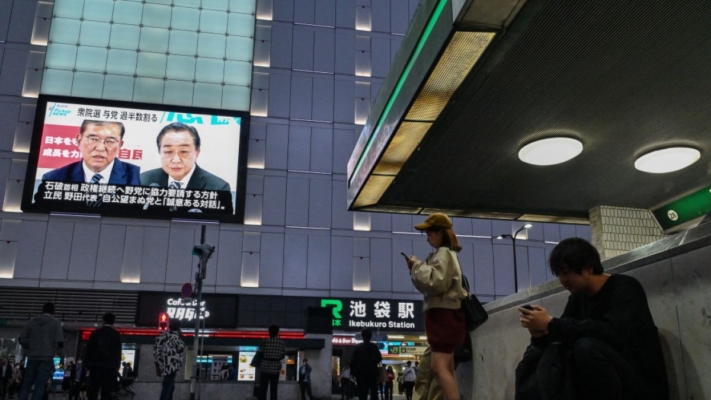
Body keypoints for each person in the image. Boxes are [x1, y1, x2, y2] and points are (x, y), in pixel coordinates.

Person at [518, 237, 669, 400]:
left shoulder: (625, 287)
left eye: (567, 272)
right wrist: (540, 333)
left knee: (587, 347)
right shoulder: (578, 297)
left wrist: (553, 324)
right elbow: (563, 336)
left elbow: (612, 332)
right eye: (559, 274)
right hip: (602, 384)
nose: (563, 280)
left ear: (589, 267)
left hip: (640, 384)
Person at [405, 213, 467, 400]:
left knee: (438, 367)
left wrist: (416, 266)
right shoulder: (449, 253)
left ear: (440, 232)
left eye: (430, 233)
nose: (428, 238)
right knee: (446, 367)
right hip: (449, 315)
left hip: (443, 316)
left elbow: (435, 282)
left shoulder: (443, 253)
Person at [41, 120, 140, 185]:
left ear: (120, 145)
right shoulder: (54, 178)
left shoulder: (138, 177)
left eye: (110, 141)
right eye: (93, 139)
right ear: (79, 140)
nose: (100, 148)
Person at [140, 122, 231, 191]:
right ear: (160, 152)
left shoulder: (218, 187)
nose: (176, 160)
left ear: (197, 153)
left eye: (183, 152)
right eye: (168, 152)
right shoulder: (142, 180)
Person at [18, 302, 64, 400]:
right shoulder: (56, 323)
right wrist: (60, 355)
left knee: (26, 383)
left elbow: (21, 339)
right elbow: (59, 342)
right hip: (47, 357)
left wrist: (30, 346)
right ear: (53, 311)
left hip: (32, 356)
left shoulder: (31, 322)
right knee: (40, 385)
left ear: (42, 310)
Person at [85, 312, 122, 400]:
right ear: (113, 322)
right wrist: (116, 366)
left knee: (93, 390)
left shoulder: (96, 333)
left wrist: (87, 364)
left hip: (95, 366)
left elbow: (89, 349)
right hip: (109, 368)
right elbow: (117, 352)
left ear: (103, 321)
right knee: (107, 392)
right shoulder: (116, 335)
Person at [153, 319, 185, 400]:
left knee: (169, 387)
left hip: (163, 365)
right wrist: (180, 336)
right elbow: (181, 347)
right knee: (167, 389)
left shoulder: (161, 336)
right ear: (178, 327)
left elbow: (156, 352)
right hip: (172, 366)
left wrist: (157, 367)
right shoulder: (175, 336)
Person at [350, 329, 382, 400]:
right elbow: (379, 358)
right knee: (374, 393)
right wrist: (373, 363)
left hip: (361, 374)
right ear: (370, 336)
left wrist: (353, 372)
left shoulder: (358, 347)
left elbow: (352, 361)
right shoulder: (374, 347)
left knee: (362, 394)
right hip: (372, 373)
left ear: (362, 336)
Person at [257, 324, 286, 400]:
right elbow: (282, 355)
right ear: (277, 332)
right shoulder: (281, 343)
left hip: (264, 367)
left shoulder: (264, 341)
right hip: (275, 367)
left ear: (269, 332)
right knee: (274, 389)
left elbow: (260, 353)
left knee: (263, 389)